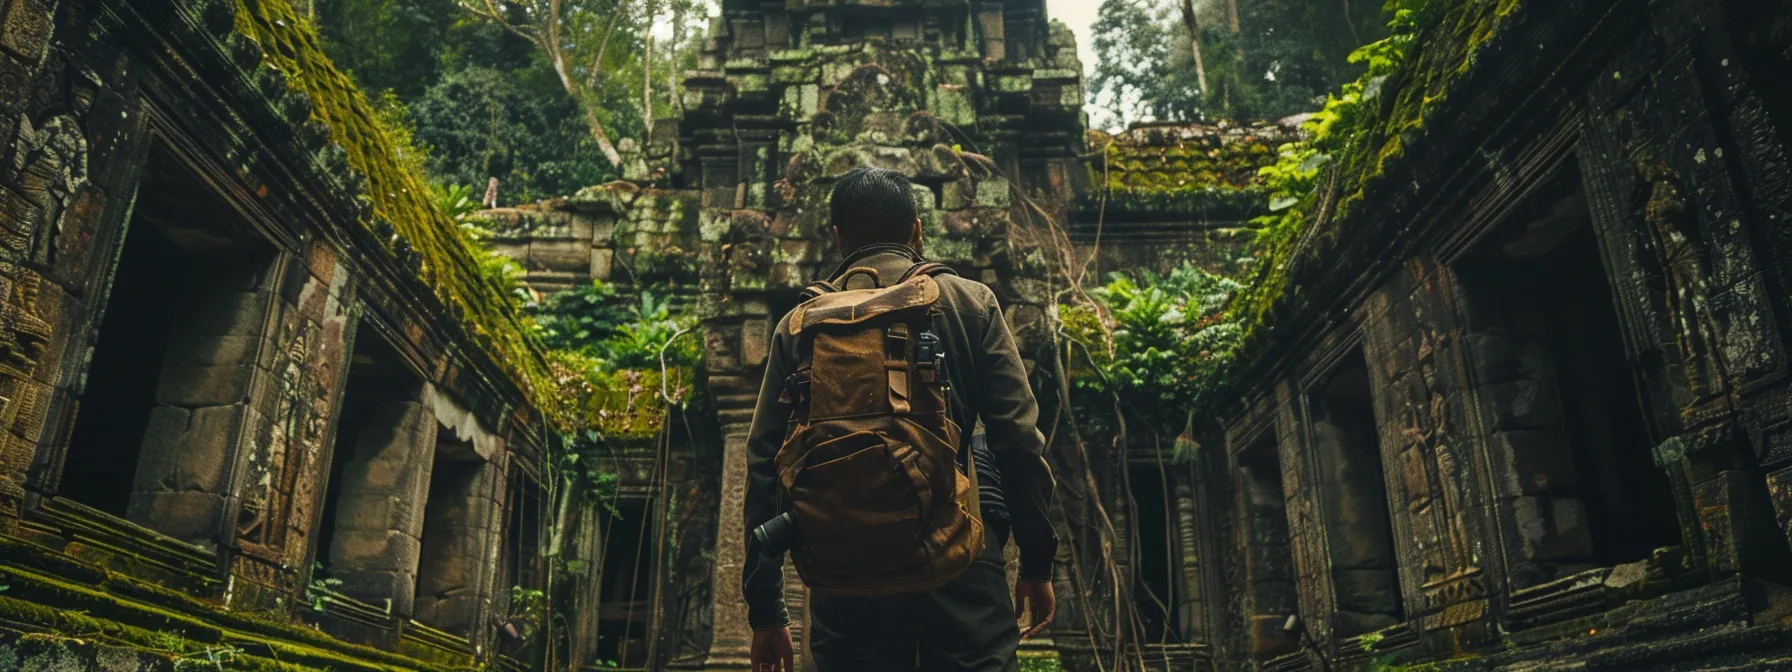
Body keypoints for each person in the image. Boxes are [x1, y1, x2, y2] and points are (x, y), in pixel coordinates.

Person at [742, 166, 1058, 672]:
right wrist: (1037, 562)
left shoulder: (798, 326)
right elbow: (1018, 442)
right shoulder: (970, 304)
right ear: (917, 230)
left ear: (839, 236)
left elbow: (763, 463)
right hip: (959, 559)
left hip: (842, 567)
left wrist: (766, 610)